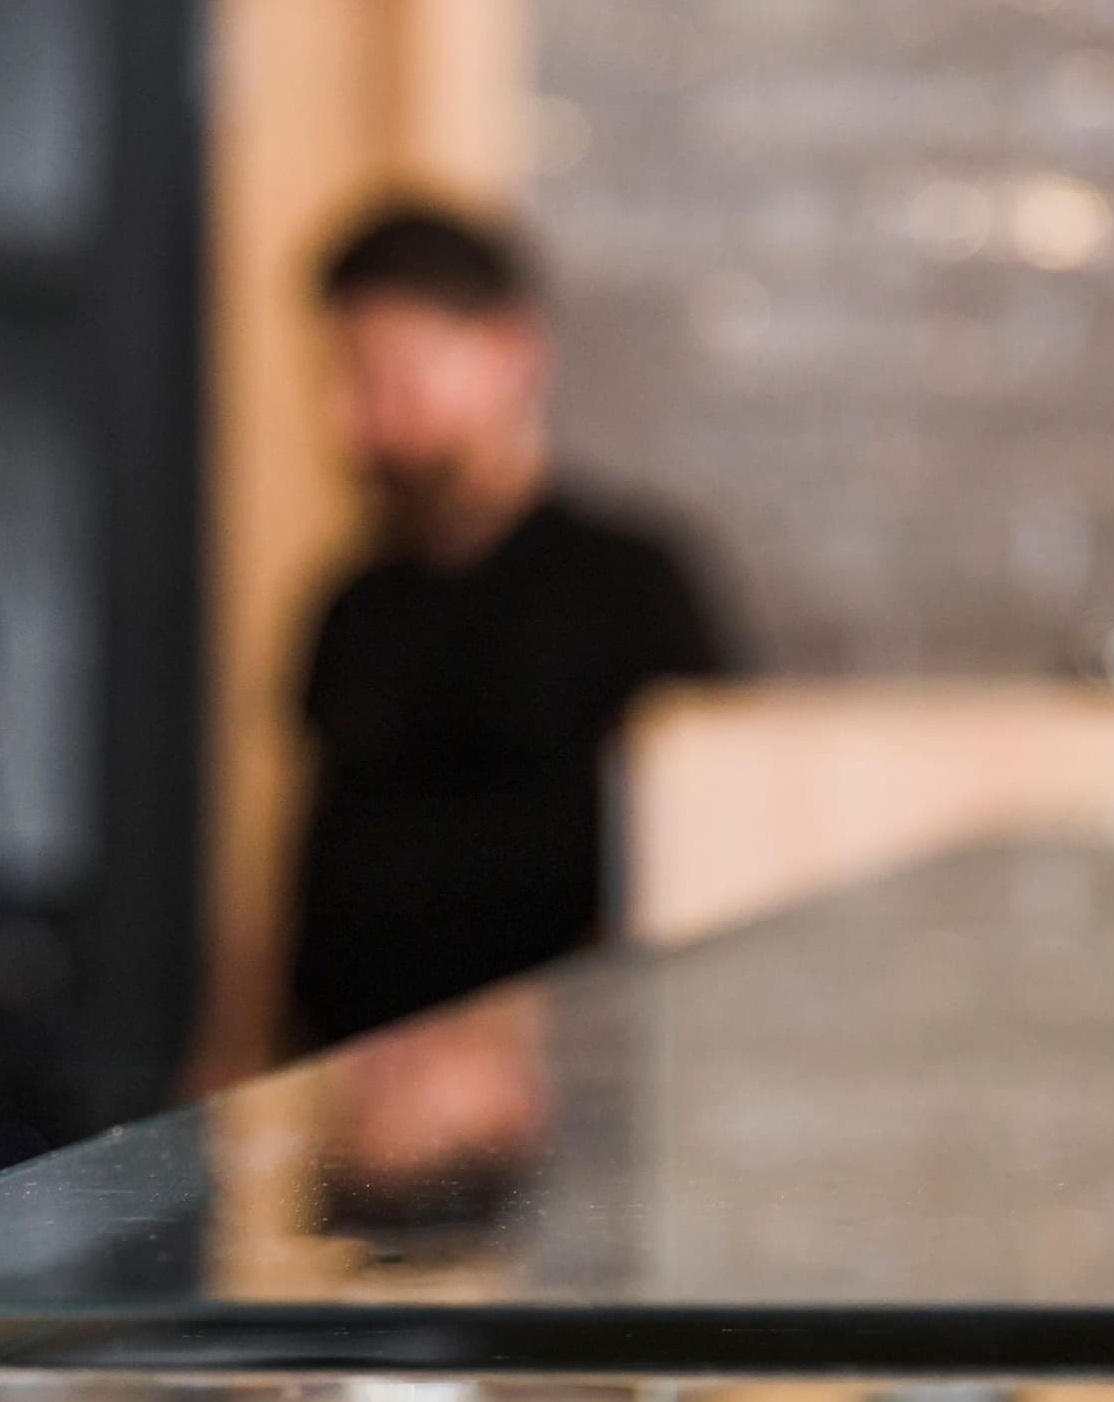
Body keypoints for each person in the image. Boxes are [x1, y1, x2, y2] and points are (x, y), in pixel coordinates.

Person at [203, 201, 726, 1074]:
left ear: (511, 353)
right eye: (339, 380)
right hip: (349, 1109)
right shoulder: (353, 601)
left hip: (565, 1117)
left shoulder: (633, 587)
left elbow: (694, 860)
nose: (354, 423)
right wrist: (233, 1057)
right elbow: (300, 860)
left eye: (390, 377)